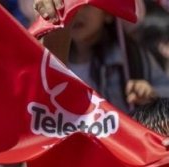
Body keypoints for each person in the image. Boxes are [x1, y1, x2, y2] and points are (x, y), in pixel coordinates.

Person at [35, 0, 169, 112]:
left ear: (107, 14)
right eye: (68, 5)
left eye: (85, 5)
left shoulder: (132, 57)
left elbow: (165, 92)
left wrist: (151, 93)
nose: (76, 12)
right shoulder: (51, 55)